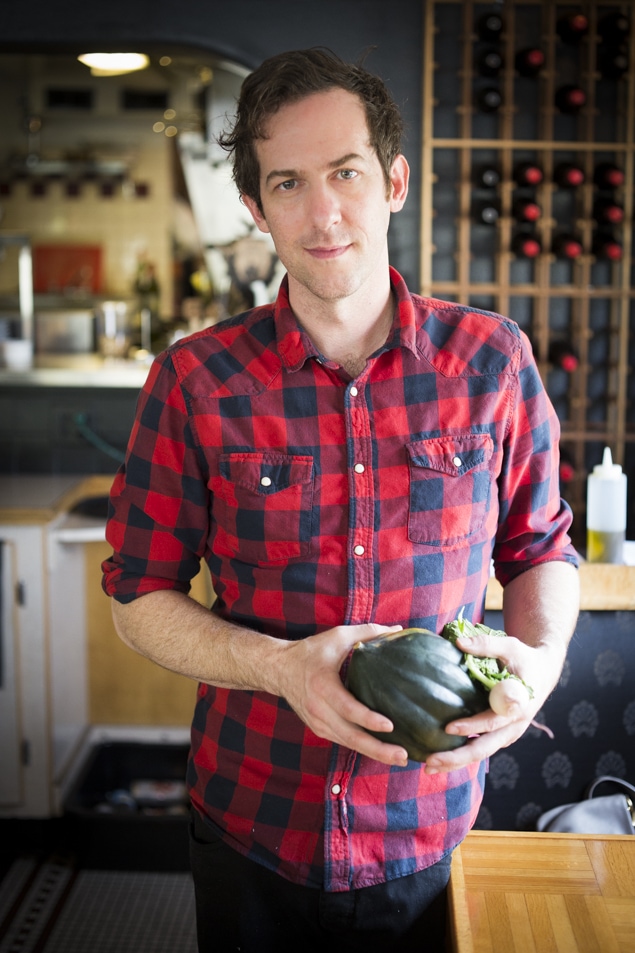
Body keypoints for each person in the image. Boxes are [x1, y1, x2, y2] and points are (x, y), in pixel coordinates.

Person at [102, 48, 580, 952]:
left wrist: (538, 666)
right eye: (287, 183)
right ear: (254, 207)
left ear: (393, 181)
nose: (322, 214)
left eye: (346, 173)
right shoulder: (195, 379)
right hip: (252, 822)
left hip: (432, 831)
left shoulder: (492, 361)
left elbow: (540, 549)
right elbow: (138, 597)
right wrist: (282, 669)